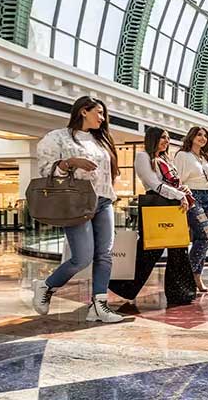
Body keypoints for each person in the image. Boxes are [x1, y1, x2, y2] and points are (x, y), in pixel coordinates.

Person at [32, 96, 123, 323]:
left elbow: (110, 173)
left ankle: (99, 306)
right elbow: (45, 170)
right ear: (84, 111)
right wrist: (70, 162)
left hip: (103, 201)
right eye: (99, 113)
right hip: (76, 201)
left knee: (104, 255)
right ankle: (46, 286)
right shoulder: (58, 138)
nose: (102, 118)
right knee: (82, 258)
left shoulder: (101, 140)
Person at [109, 127, 195, 306]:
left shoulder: (166, 159)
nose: (166, 141)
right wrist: (179, 195)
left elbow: (173, 182)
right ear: (152, 139)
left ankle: (181, 293)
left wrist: (184, 190)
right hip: (155, 206)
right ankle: (122, 287)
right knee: (149, 250)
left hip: (174, 206)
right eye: (163, 138)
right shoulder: (143, 157)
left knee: (179, 249)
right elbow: (153, 183)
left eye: (168, 138)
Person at [173, 127, 208, 293]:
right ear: (191, 137)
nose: (203, 138)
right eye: (199, 135)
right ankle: (186, 276)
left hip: (207, 197)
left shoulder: (205, 158)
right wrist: (182, 196)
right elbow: (177, 179)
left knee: (202, 239)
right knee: (207, 237)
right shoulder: (182, 155)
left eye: (205, 136)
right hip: (192, 197)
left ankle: (197, 278)